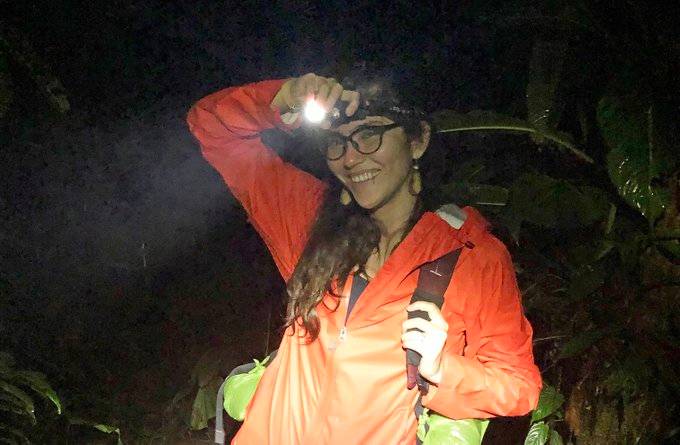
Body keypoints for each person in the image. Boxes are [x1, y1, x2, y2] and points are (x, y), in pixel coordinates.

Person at [187, 70, 542, 445]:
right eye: (337, 143)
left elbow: (518, 387)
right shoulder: (308, 220)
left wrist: (443, 370)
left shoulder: (471, 256)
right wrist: (284, 97)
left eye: (370, 135)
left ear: (417, 140)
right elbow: (209, 125)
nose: (351, 158)